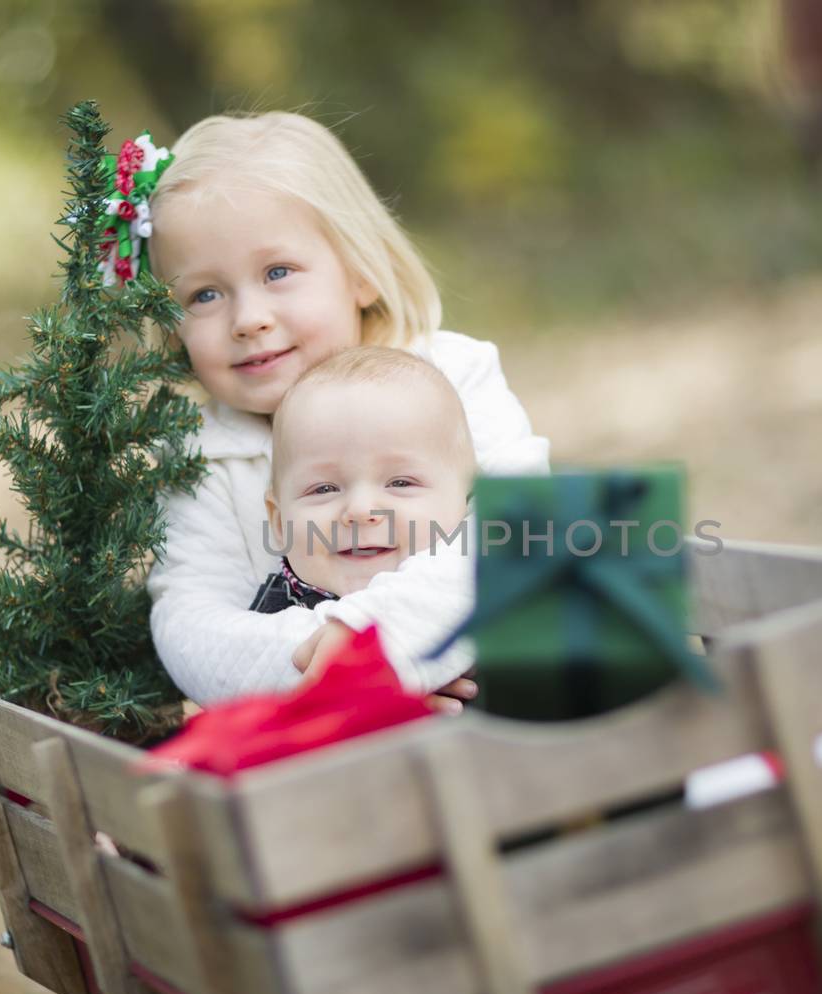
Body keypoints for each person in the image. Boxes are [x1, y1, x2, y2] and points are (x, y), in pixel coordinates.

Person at [144, 111, 549, 711]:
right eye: (204, 294)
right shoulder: (201, 458)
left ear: (359, 271)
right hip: (328, 757)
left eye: (277, 272)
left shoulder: (452, 376)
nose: (248, 318)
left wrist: (374, 647)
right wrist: (345, 686)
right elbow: (192, 627)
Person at [249, 346, 477, 618]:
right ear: (278, 522)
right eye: (324, 489)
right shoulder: (265, 629)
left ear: (466, 500)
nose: (360, 510)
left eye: (400, 483)